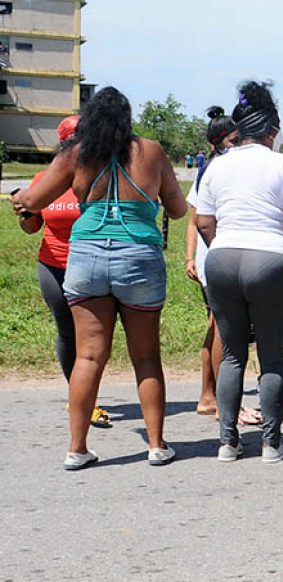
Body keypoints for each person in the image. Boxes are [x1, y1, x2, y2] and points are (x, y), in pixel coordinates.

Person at [13, 86, 187, 469]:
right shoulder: (152, 151)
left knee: (89, 355)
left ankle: (77, 449)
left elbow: (33, 201)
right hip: (139, 256)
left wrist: (19, 197)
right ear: (127, 118)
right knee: (145, 355)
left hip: (87, 256)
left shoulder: (75, 153)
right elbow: (176, 209)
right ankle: (156, 445)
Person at [195, 81, 283, 464]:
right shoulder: (282, 163)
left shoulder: (218, 165)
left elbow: (204, 221)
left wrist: (224, 242)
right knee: (271, 355)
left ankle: (228, 442)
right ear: (271, 130)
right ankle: (271, 443)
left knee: (233, 353)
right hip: (269, 259)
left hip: (221, 258)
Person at [12, 116, 111, 428]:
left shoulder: (102, 176)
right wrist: (23, 211)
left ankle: (85, 394)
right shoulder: (46, 177)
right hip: (54, 266)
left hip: (93, 265)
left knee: (95, 338)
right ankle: (81, 400)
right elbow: (32, 228)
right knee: (68, 333)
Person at [184, 106, 238, 417]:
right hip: (218, 256)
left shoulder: (212, 169)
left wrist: (192, 256)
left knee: (215, 325)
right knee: (223, 329)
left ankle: (208, 394)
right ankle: (221, 400)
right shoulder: (215, 170)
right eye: (234, 139)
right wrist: (192, 256)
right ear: (219, 142)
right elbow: (194, 220)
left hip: (214, 256)